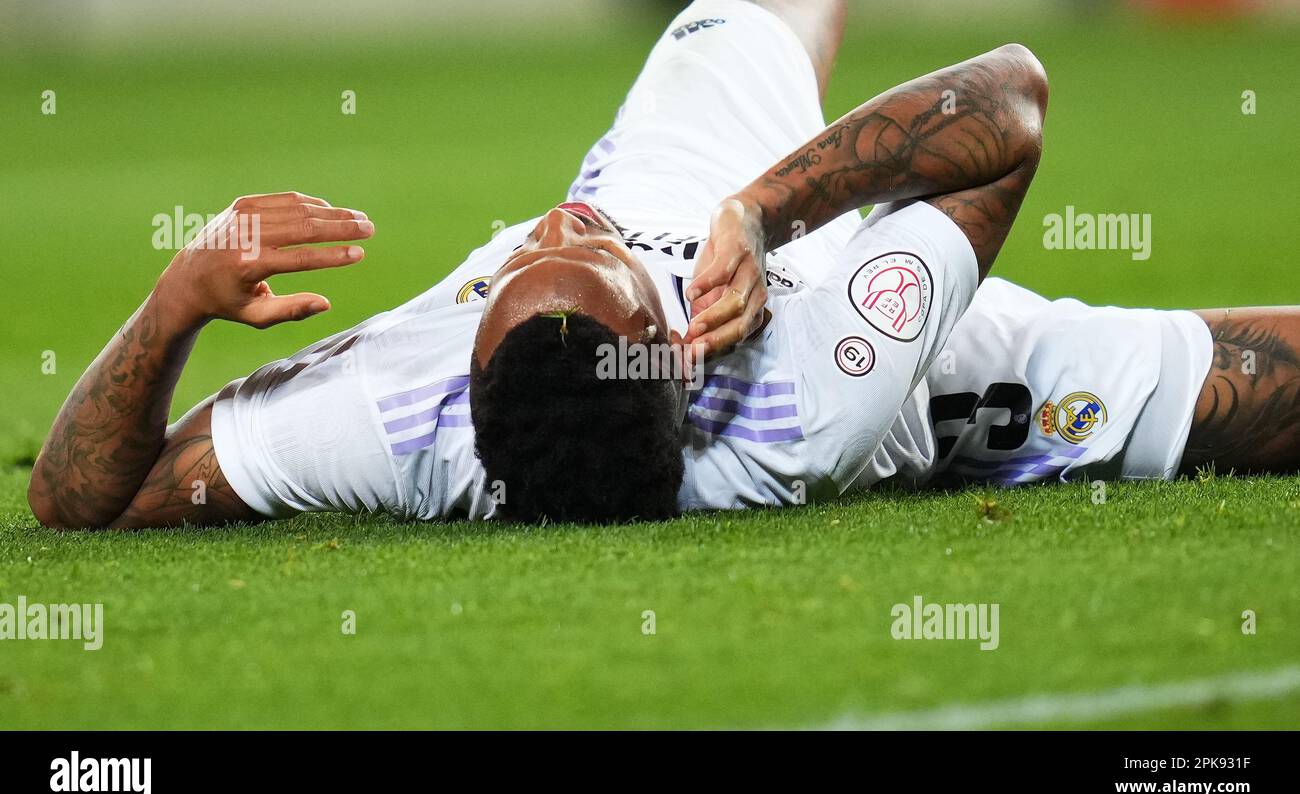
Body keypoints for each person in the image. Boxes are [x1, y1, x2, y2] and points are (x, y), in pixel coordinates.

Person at [26, 1, 1296, 531]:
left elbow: (82, 494)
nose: (551, 229)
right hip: (907, 352)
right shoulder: (821, 387)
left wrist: (178, 297)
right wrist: (768, 209)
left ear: (470, 373)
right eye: (585, 248)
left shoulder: (392, 416)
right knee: (1248, 391)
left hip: (677, 169)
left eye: (532, 256)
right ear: (679, 343)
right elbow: (1010, 104)